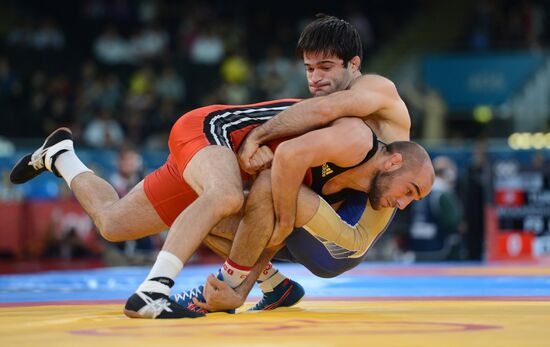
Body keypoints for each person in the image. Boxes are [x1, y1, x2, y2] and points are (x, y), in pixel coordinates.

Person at [174, 14, 414, 312]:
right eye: (309, 69)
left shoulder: (376, 89)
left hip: (345, 242)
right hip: (317, 234)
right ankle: (275, 287)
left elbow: (320, 111)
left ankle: (230, 287)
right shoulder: (334, 120)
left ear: (354, 64)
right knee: (209, 217)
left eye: (325, 67)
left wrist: (256, 139)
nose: (315, 77)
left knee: (274, 184)